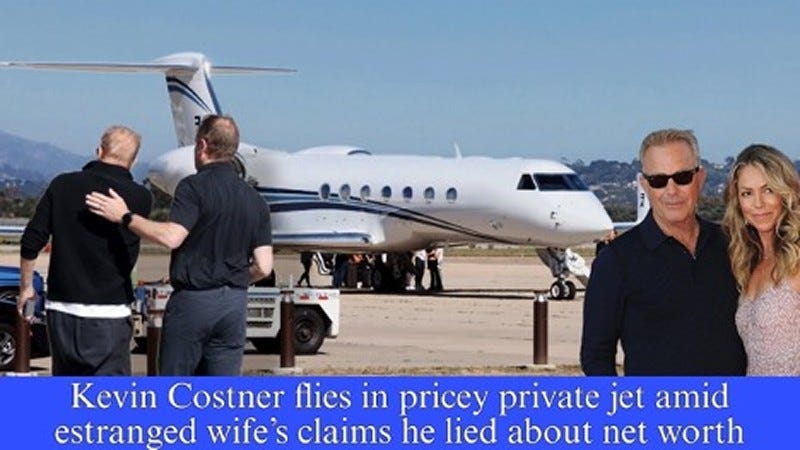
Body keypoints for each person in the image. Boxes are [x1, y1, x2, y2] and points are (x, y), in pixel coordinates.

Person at [85, 114, 273, 376]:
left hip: (194, 301)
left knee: (175, 386)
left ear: (202, 145)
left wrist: (126, 217)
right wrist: (235, 277)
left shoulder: (193, 187)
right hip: (234, 304)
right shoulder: (256, 200)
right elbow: (264, 266)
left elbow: (172, 237)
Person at [580, 128, 746, 375]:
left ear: (700, 178)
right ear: (644, 185)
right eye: (658, 181)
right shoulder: (616, 261)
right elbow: (595, 356)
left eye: (682, 177)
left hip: (737, 400)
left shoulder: (734, 245)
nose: (671, 190)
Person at [18, 125, 153, 376]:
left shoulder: (62, 185)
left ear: (99, 151)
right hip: (110, 311)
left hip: (62, 309)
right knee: (108, 396)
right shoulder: (141, 197)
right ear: (133, 161)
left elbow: (31, 241)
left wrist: (26, 287)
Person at [722, 144, 800, 375]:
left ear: (785, 193)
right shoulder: (748, 262)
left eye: (768, 190)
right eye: (747, 193)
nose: (758, 203)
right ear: (738, 202)